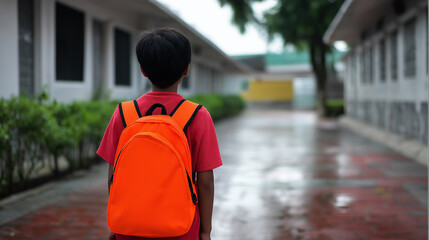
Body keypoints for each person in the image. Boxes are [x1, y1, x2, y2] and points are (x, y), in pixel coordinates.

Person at [96, 28, 222, 240]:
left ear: (143, 70)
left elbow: (113, 177)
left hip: (130, 227)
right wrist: (205, 231)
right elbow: (206, 181)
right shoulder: (197, 116)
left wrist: (117, 220)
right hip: (182, 228)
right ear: (186, 70)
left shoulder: (124, 114)